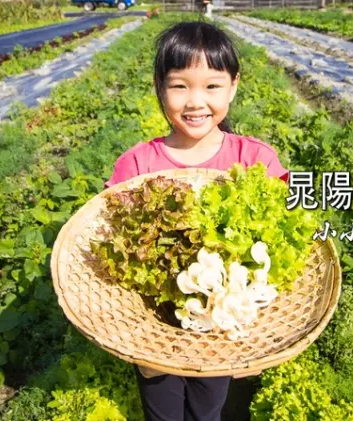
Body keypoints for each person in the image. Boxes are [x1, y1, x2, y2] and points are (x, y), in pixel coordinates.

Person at [103, 21, 289, 421]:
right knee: (162, 409)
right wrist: (137, 338)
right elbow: (110, 244)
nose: (195, 101)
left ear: (234, 86)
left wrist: (256, 341)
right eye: (180, 85)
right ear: (159, 87)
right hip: (154, 330)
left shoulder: (254, 161)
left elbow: (281, 255)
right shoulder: (136, 165)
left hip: (219, 328)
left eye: (211, 86)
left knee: (208, 408)